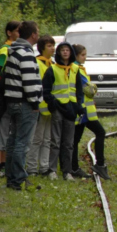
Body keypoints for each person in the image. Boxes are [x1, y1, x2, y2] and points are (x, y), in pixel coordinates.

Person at [2, 20, 42, 191]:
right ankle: (18, 178)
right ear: (33, 34)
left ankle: (11, 176)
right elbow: (29, 80)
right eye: (37, 32)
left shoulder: (14, 50)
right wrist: (34, 101)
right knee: (22, 142)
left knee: (13, 140)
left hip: (13, 100)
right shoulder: (25, 53)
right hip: (24, 102)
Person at [42, 41, 84, 180]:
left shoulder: (75, 69)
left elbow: (79, 90)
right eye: (62, 50)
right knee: (55, 140)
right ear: (58, 53)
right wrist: (52, 103)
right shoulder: (53, 69)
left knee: (68, 142)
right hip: (58, 108)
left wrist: (79, 105)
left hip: (70, 109)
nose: (65, 52)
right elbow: (46, 90)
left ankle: (67, 171)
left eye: (67, 50)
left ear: (71, 53)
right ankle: (52, 170)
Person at [71, 44, 109, 180]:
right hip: (83, 110)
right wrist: (93, 87)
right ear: (75, 56)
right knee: (98, 132)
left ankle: (73, 167)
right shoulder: (77, 69)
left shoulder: (79, 68)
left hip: (84, 110)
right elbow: (89, 89)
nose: (85, 57)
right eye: (83, 55)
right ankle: (99, 165)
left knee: (75, 139)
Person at [0, 21, 20, 175]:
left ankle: (4, 164)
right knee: (1, 130)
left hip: (12, 97)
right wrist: (3, 85)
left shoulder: (17, 50)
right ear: (9, 33)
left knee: (9, 131)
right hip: (3, 97)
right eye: (18, 31)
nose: (20, 34)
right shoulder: (4, 51)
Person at [25, 35, 55, 176]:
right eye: (49, 46)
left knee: (47, 139)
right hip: (40, 106)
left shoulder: (52, 64)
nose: (52, 48)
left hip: (50, 108)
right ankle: (31, 167)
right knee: (37, 138)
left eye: (53, 45)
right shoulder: (38, 63)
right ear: (42, 48)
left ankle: (44, 167)